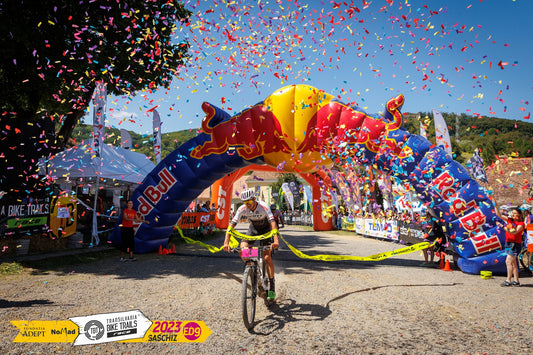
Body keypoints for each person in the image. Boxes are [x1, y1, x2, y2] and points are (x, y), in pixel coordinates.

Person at [223, 188, 279, 301]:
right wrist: (226, 242)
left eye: (249, 202)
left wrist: (276, 240)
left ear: (254, 199)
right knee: (242, 250)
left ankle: (272, 287)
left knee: (267, 257)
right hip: (253, 230)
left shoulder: (264, 206)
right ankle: (252, 267)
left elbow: (272, 223)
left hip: (266, 231)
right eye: (245, 203)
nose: (247, 205)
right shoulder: (242, 208)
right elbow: (231, 226)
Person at [495, 205, 525, 287]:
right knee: (514, 263)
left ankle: (508, 280)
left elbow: (514, 232)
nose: (512, 214)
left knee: (508, 262)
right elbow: (498, 214)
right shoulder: (509, 220)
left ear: (519, 215)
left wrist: (502, 226)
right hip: (508, 243)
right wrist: (494, 201)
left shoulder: (521, 224)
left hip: (515, 244)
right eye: (512, 213)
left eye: (514, 213)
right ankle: (516, 281)